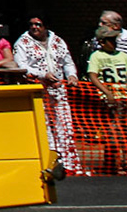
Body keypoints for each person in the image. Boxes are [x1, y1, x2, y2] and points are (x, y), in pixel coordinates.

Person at [14, 15, 81, 175]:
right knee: (45, 129)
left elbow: (67, 62)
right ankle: (49, 163)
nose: (34, 27)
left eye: (38, 24)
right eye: (31, 24)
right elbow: (22, 66)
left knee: (64, 126)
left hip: (59, 92)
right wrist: (42, 74)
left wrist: (72, 75)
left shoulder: (58, 41)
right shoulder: (22, 43)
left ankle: (70, 165)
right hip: (37, 92)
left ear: (46, 26)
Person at [85, 26, 127, 175]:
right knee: (113, 132)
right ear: (102, 42)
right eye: (110, 40)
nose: (114, 42)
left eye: (115, 39)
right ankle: (114, 164)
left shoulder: (123, 55)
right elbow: (92, 75)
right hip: (111, 100)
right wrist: (106, 92)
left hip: (126, 97)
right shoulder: (96, 56)